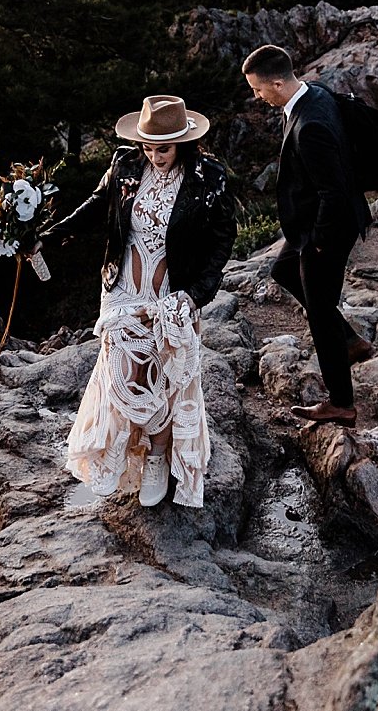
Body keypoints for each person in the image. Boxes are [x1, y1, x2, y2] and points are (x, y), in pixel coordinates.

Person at [39, 95, 237, 507]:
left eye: (162, 148)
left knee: (164, 376)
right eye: (148, 146)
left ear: (182, 142)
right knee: (125, 371)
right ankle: (123, 446)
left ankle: (159, 456)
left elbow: (222, 240)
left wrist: (197, 295)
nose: (154, 155)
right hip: (122, 288)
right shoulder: (126, 164)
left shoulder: (208, 176)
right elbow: (98, 207)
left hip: (172, 291)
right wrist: (51, 233)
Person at [241, 44, 373, 425]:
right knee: (282, 271)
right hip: (314, 224)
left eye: (259, 90)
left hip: (328, 229)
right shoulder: (312, 92)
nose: (257, 96)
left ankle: (341, 402)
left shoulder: (310, 124)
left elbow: (331, 192)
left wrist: (317, 242)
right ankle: (349, 340)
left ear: (278, 83)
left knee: (320, 310)